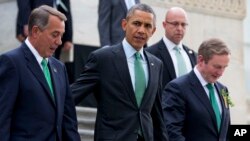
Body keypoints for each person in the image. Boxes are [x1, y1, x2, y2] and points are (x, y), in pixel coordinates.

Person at [71, 3, 168, 141]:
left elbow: (157, 114)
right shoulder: (103, 58)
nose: (141, 30)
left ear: (153, 31)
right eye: (136, 23)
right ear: (124, 24)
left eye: (147, 26)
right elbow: (71, 97)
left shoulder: (156, 65)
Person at [0, 5, 80, 141]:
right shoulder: (12, 62)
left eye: (61, 35)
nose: (59, 41)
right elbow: (2, 119)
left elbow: (68, 120)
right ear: (36, 31)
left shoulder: (59, 67)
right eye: (55, 34)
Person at [162, 38, 231, 141]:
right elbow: (172, 132)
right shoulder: (177, 88)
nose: (221, 73)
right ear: (201, 60)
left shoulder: (223, 89)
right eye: (217, 67)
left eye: (224, 67)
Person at [146, 7, 197, 87]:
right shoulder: (150, 54)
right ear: (164, 25)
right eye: (175, 24)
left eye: (183, 25)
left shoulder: (194, 56)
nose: (179, 29)